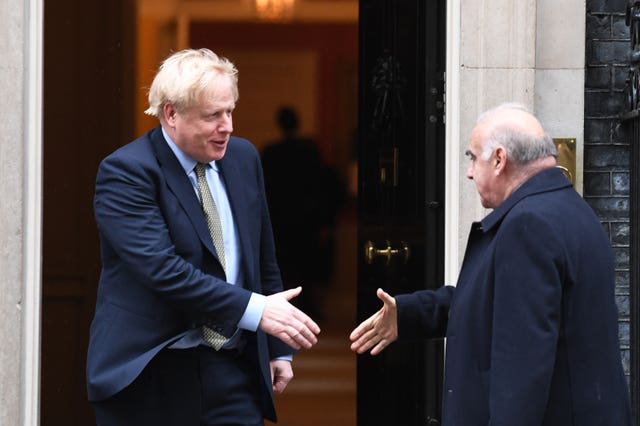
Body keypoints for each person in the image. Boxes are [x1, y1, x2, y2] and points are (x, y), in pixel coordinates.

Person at [350, 103, 632, 425]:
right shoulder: (569, 209)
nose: (469, 172)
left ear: (499, 159)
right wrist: (412, 314)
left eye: (472, 157)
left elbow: (521, 370)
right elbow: (497, 304)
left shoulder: (528, 225)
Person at [86, 48, 321, 426]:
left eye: (230, 111)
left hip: (232, 370)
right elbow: (164, 271)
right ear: (171, 114)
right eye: (213, 115)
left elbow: (261, 259)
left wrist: (278, 349)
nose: (227, 126)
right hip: (152, 373)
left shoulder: (243, 158)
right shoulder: (127, 172)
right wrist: (259, 312)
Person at [261, 106, 345, 321]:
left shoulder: (272, 154)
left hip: (283, 220)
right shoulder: (309, 152)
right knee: (306, 269)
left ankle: (291, 309)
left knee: (288, 268)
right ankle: (306, 309)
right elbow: (327, 188)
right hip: (307, 221)